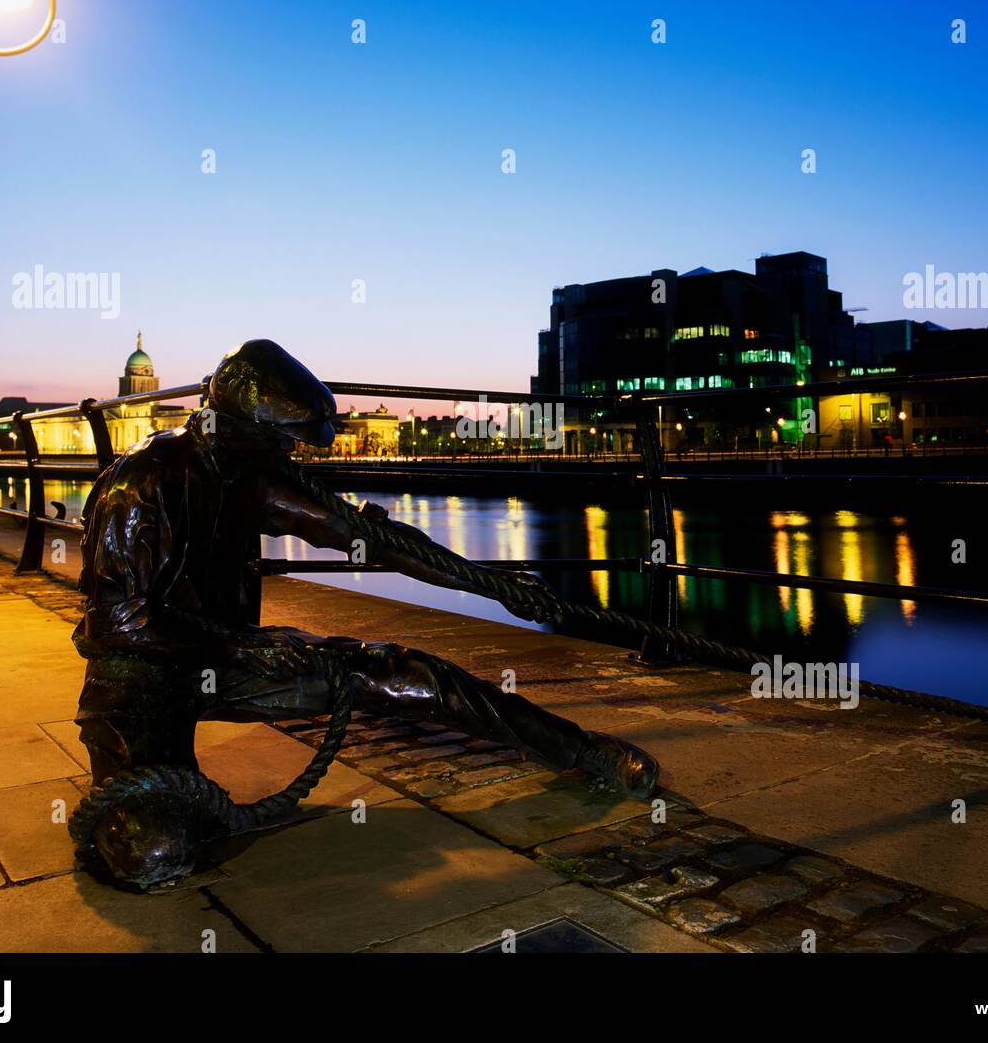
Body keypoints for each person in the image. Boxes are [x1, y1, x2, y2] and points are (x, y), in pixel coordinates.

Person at [74, 339, 659, 886]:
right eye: (283, 439)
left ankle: (582, 750)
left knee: (409, 674)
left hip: (229, 652)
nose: (294, 452)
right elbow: (118, 623)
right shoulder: (145, 481)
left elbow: (370, 540)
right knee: (159, 852)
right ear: (239, 426)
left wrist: (492, 585)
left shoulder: (245, 470)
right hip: (140, 677)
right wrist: (243, 647)